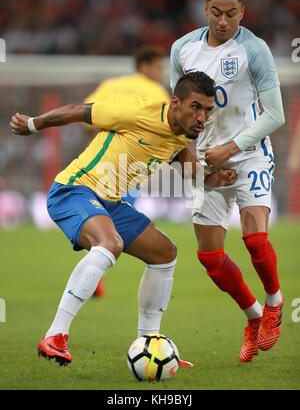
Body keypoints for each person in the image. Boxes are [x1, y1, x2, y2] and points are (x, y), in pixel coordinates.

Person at [11, 72, 237, 367]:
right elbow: (77, 111)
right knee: (109, 243)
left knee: (164, 253)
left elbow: (188, 168)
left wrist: (213, 177)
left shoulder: (181, 134)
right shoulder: (137, 111)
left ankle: (150, 344)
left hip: (111, 203)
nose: (202, 117)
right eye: (196, 107)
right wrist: (32, 124)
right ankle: (55, 335)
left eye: (208, 110)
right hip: (74, 189)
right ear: (175, 103)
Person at [170, 0, 285, 363]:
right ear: (205, 9)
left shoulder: (255, 50)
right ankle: (253, 317)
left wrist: (231, 148)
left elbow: (276, 114)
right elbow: (179, 111)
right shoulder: (182, 49)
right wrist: (191, 157)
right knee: (210, 258)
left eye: (231, 13)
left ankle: (274, 303)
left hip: (249, 151)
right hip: (206, 157)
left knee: (254, 239)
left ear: (243, 12)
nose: (223, 21)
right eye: (216, 12)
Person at [84, 45, 170, 296]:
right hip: (130, 165)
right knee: (113, 216)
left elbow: (85, 114)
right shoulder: (155, 91)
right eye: (157, 68)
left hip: (99, 161)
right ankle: (94, 272)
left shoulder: (111, 85)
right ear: (145, 67)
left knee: (100, 215)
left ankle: (94, 272)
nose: (160, 73)